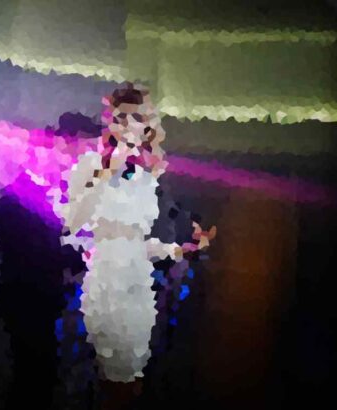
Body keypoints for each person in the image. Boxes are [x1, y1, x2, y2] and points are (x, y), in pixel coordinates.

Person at [59, 83, 214, 396]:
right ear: (111, 121)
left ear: (147, 128)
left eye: (137, 119)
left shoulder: (145, 179)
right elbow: (70, 225)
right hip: (103, 282)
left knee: (132, 377)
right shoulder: (89, 166)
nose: (128, 126)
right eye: (121, 118)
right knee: (99, 376)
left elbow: (137, 242)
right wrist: (106, 174)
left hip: (138, 286)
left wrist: (177, 250)